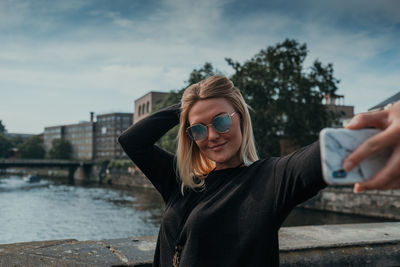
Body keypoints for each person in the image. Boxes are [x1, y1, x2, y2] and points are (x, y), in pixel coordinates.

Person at [118, 75, 400, 267]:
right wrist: (190, 104)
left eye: (221, 122)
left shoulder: (270, 178)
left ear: (240, 117)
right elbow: (132, 141)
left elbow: (320, 156)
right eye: (199, 129)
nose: (212, 135)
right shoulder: (182, 182)